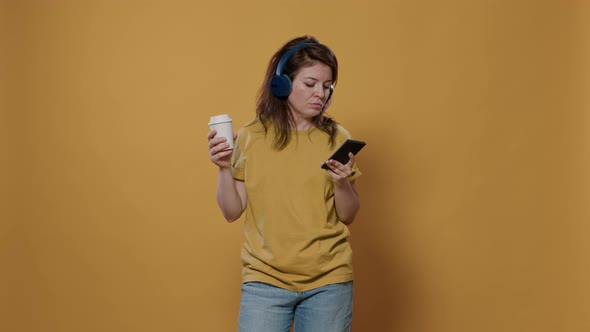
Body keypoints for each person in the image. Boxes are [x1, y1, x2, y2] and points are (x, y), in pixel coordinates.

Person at [207, 35, 362, 332]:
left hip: (329, 281)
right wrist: (223, 168)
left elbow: (349, 214)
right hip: (265, 279)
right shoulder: (251, 136)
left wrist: (342, 184)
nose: (321, 94)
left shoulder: (337, 138)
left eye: (327, 86)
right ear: (283, 83)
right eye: (310, 83)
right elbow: (231, 211)